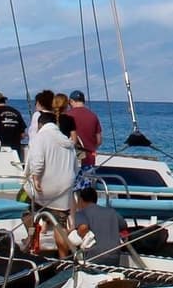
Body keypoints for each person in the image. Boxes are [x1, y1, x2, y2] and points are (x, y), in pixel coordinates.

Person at [23, 110, 80, 258]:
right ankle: (63, 258)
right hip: (63, 192)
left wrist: (35, 178)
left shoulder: (40, 137)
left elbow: (37, 160)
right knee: (59, 226)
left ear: (40, 124)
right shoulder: (67, 142)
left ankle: (32, 243)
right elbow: (75, 167)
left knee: (25, 210)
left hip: (43, 189)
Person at [71, 186, 124, 264]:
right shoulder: (111, 212)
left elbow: (83, 228)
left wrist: (73, 233)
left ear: (81, 200)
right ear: (96, 200)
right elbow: (123, 225)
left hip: (94, 256)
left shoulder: (81, 213)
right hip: (114, 256)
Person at [66, 89, 103, 170]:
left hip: (70, 160)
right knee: (87, 181)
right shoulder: (93, 116)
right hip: (89, 160)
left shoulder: (66, 115)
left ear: (71, 101)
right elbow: (99, 141)